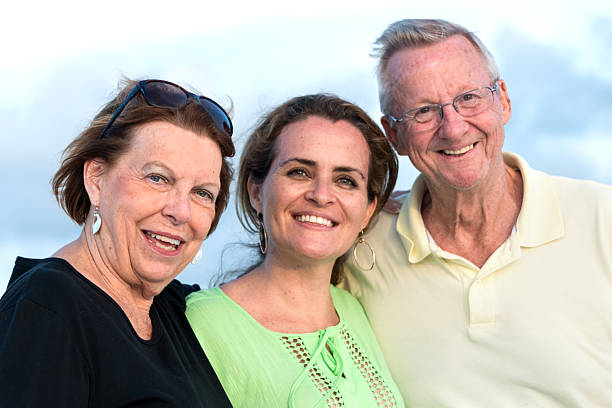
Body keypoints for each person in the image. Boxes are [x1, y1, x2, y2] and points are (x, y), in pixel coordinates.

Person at [340, 19, 612, 407]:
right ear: (394, 134)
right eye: (423, 111)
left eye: (468, 97)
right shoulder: (360, 247)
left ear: (502, 99)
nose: (452, 128)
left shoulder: (604, 219)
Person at [0, 79, 235, 407]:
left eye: (202, 193)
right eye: (157, 178)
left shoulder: (175, 309)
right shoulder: (47, 309)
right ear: (96, 179)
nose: (180, 212)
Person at [186, 94, 404, 407]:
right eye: (299, 172)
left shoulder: (354, 311)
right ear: (257, 192)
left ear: (368, 211)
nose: (321, 195)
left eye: (345, 180)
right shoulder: (201, 322)